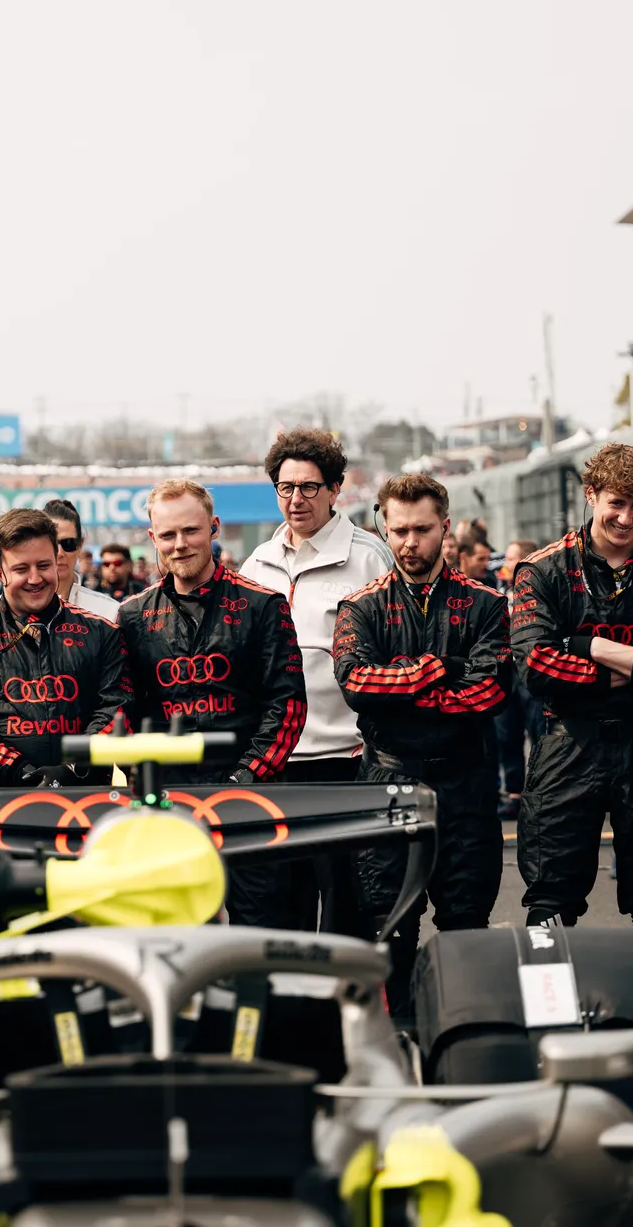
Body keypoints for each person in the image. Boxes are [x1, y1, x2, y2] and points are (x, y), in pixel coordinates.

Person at [510, 443, 633, 1008]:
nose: (626, 518)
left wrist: (592, 648)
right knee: (548, 899)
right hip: (566, 744)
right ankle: (548, 1033)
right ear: (591, 495)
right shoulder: (543, 569)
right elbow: (532, 663)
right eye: (616, 502)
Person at [332, 473, 509, 1018]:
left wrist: (404, 686)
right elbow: (357, 684)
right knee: (389, 925)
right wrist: (438, 670)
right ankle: (398, 1045)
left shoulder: (486, 604)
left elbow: (489, 692)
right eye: (400, 530)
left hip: (466, 782)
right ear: (383, 528)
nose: (410, 542)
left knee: (466, 925)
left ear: (446, 528)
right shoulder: (360, 605)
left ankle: (461, 1040)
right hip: (388, 778)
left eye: (423, 530)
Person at [117, 481, 306, 922]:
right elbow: (122, 710)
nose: (180, 545)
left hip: (250, 796)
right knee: (175, 932)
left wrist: (246, 777)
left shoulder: (262, 604)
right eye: (168, 535)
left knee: (260, 932)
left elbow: (288, 704)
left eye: (191, 531)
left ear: (214, 527)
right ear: (152, 539)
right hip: (168, 801)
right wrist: (144, 781)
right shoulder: (132, 615)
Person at [239, 429, 394, 924]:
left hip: (346, 761)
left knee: (348, 906)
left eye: (309, 487)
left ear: (335, 489)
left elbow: (391, 656)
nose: (296, 499)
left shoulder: (369, 558)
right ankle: (293, 1004)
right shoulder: (257, 563)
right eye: (285, 487)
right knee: (285, 907)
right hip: (275, 763)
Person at [0, 509, 129, 788]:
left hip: (85, 798)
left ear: (56, 561)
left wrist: (75, 767)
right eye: (21, 569)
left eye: (43, 566)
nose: (34, 578)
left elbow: (117, 709)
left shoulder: (103, 633)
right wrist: (23, 773)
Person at [42, 498, 121, 621]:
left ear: (80, 545)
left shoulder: (107, 611)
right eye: (52, 543)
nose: (60, 553)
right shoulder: (15, 609)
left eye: (68, 543)